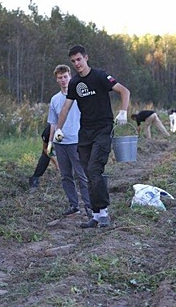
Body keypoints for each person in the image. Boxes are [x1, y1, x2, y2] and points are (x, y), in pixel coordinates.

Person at [55, 45, 130, 228]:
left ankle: (103, 213)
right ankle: (96, 215)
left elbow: (124, 91)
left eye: (79, 59)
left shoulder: (100, 76)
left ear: (86, 58)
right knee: (88, 172)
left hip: (103, 129)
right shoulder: (74, 84)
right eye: (73, 61)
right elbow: (66, 107)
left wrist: (123, 112)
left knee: (95, 169)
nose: (77, 64)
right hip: (85, 132)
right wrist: (59, 128)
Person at [47, 64, 91, 218]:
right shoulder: (55, 99)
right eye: (60, 77)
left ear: (70, 77)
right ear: (57, 80)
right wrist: (51, 142)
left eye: (65, 76)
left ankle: (89, 206)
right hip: (60, 143)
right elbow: (52, 122)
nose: (63, 80)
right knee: (66, 175)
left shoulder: (79, 96)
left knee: (82, 175)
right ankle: (74, 205)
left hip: (77, 141)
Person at [28, 122, 59, 191]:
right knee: (45, 157)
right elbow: (46, 148)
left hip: (69, 144)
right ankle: (35, 179)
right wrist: (56, 162)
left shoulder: (71, 128)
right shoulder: (47, 132)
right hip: (51, 145)